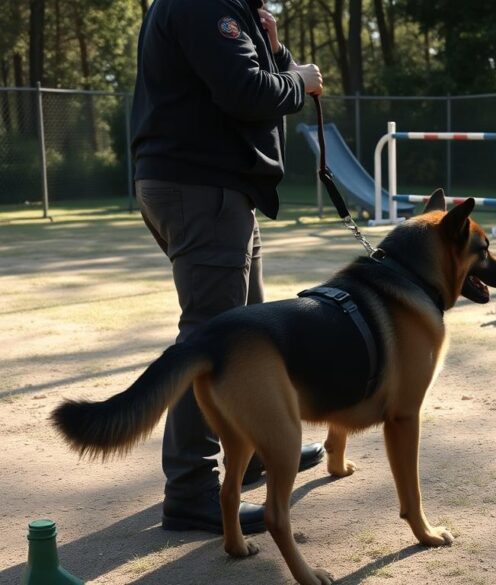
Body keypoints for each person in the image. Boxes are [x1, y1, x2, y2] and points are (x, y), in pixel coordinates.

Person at [130, 0, 325, 535]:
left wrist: (277, 50)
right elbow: (245, 92)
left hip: (218, 189)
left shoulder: (226, 6)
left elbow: (244, 76)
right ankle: (192, 491)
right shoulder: (205, 3)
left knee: (249, 336)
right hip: (201, 189)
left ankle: (258, 451)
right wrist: (297, 76)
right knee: (212, 342)